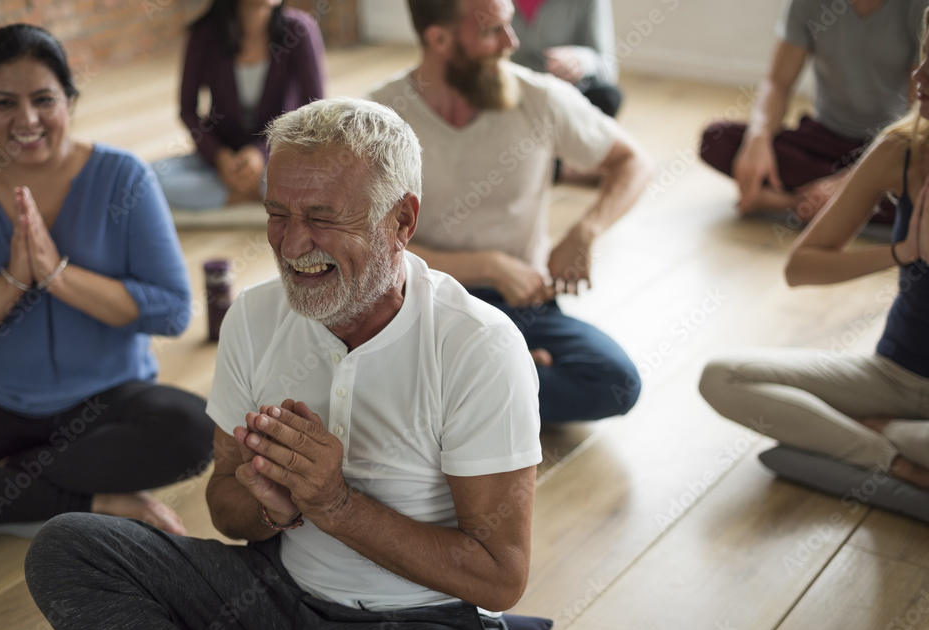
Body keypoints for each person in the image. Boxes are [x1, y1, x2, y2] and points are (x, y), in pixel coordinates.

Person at [25, 97, 543, 630]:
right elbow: (225, 505)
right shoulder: (253, 316)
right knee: (68, 549)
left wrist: (335, 505)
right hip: (272, 602)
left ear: (401, 221)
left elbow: (501, 575)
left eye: (322, 218)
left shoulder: (478, 345)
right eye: (277, 213)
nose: (292, 245)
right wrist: (272, 505)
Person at [0, 24, 213, 534]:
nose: (27, 120)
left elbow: (171, 310)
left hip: (110, 399)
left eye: (44, 99)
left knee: (195, 430)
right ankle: (99, 499)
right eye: (4, 104)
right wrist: (13, 280)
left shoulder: (124, 177)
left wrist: (58, 275)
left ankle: (2, 485)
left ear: (70, 100)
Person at [368, 0, 653, 424]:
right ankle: (501, 381)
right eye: (492, 31)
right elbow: (367, 242)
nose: (511, 42)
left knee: (614, 382)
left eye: (509, 27)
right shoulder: (379, 117)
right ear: (440, 39)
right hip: (412, 304)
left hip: (518, 304)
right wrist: (489, 265)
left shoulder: (539, 97)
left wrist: (586, 230)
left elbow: (633, 161)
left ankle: (451, 394)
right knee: (343, 363)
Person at [699, 14, 929, 519]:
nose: (918, 79)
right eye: (924, 58)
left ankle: (876, 432)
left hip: (898, 406)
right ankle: (895, 461)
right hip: (893, 373)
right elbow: (800, 267)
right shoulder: (901, 148)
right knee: (721, 378)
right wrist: (900, 253)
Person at [699, 0, 928, 226]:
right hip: (824, 138)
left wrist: (852, 180)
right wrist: (758, 136)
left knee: (920, 186)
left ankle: (793, 203)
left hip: (891, 146)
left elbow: (913, 115)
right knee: (717, 139)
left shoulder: (917, 7)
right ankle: (839, 204)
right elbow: (777, 83)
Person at [154, 0, 326, 210]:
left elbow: (314, 111)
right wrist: (219, 156)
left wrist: (262, 153)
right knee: (147, 178)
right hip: (222, 155)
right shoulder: (204, 34)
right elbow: (188, 109)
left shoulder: (300, 29)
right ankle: (257, 195)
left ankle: (237, 194)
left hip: (280, 155)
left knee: (318, 181)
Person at [510, 0, 622, 118]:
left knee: (608, 96)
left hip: (562, 90)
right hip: (508, 86)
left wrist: (581, 60)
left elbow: (607, 64)